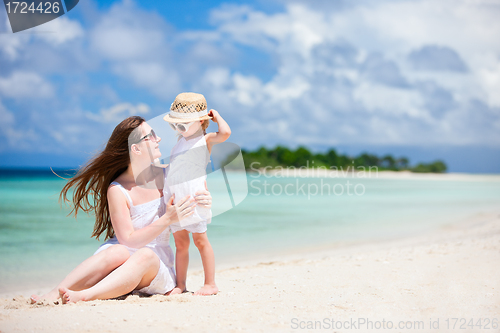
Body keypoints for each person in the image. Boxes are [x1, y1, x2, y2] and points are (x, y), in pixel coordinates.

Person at [30, 116, 213, 304]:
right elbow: (128, 240)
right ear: (136, 148)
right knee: (117, 250)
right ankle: (54, 293)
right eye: (151, 136)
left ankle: (86, 295)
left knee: (145, 255)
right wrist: (166, 219)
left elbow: (196, 187)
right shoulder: (117, 189)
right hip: (121, 260)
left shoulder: (169, 175)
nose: (158, 139)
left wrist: (204, 199)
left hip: (155, 264)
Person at [163, 92, 231, 296]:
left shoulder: (205, 140)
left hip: (195, 198)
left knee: (201, 241)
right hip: (176, 199)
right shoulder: (178, 144)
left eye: (183, 124)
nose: (179, 129)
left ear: (201, 121)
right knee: (181, 244)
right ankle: (181, 284)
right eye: (176, 125)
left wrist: (216, 116)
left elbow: (225, 133)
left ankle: (210, 283)